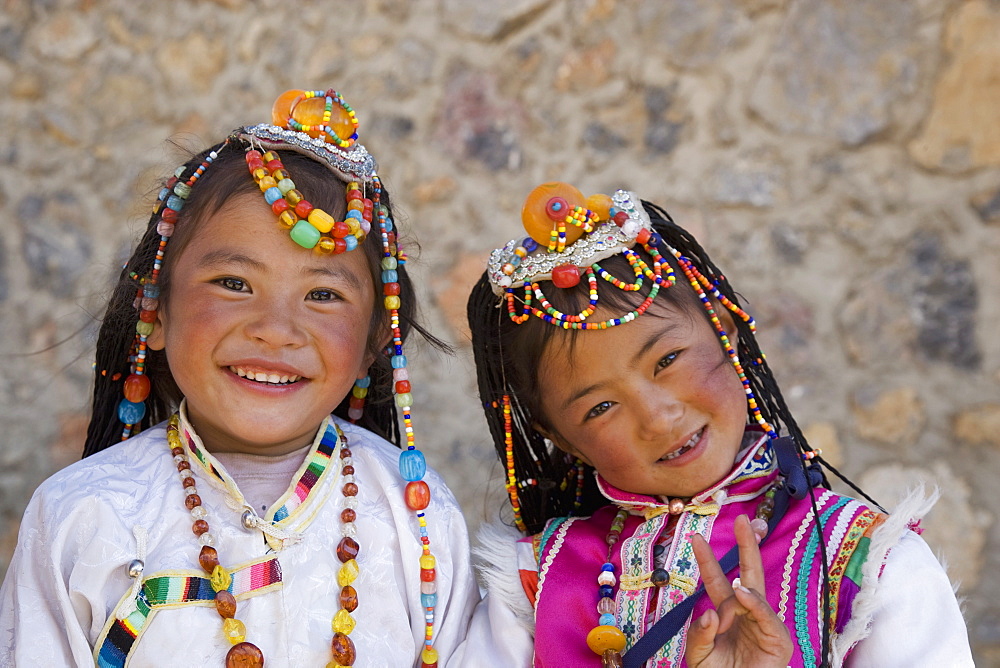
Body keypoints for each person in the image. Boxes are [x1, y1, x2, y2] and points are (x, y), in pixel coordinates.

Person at [0, 89, 477, 667]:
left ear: (375, 341)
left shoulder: (415, 519)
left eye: (322, 294)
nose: (276, 331)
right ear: (154, 310)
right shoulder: (84, 516)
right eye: (233, 283)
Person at [460, 182, 974, 666]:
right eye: (600, 408)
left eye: (668, 360)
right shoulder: (535, 584)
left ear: (724, 332)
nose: (658, 417)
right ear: (563, 439)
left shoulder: (868, 566)